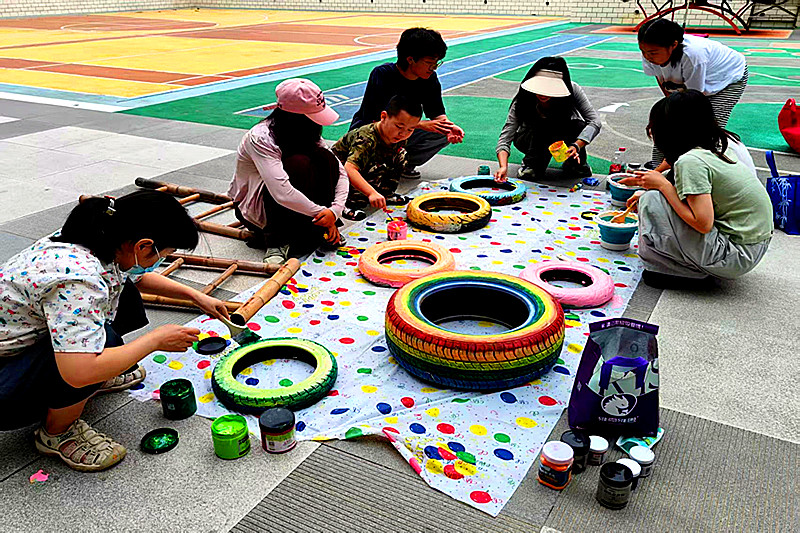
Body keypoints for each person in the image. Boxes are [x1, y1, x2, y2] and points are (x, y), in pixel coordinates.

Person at [0, 191, 230, 471]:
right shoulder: (79, 279)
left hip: (20, 342)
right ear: (145, 246)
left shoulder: (97, 234)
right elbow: (78, 371)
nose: (162, 260)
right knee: (95, 354)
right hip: (5, 384)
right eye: (165, 254)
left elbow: (137, 277)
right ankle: (57, 433)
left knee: (125, 295)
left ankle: (92, 376)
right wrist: (155, 340)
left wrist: (196, 297)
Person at [621, 90, 772, 289]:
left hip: (735, 255)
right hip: (751, 247)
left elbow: (703, 224)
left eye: (655, 127)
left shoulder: (691, 161)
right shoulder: (708, 149)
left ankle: (685, 272)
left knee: (652, 200)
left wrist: (662, 186)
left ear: (671, 131)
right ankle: (687, 264)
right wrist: (654, 184)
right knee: (654, 195)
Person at [229, 78, 349, 265]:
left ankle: (319, 227)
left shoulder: (306, 134)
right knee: (298, 163)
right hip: (259, 208)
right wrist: (322, 213)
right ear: (296, 119)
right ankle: (276, 240)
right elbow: (281, 192)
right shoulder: (261, 138)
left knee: (326, 159)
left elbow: (340, 172)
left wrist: (334, 212)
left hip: (300, 208)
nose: (319, 125)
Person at [349, 27, 464, 179]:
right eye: (429, 62)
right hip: (371, 130)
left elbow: (437, 113)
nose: (434, 67)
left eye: (437, 62)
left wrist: (449, 128)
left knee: (442, 132)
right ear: (410, 59)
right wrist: (421, 125)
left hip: (402, 130)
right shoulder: (383, 74)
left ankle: (403, 164)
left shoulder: (429, 79)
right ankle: (369, 163)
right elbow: (378, 119)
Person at [638, 18, 748, 171]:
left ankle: (705, 168)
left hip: (728, 78)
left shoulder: (694, 56)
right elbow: (662, 80)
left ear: (673, 45)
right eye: (643, 51)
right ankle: (659, 168)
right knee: (666, 124)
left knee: (703, 129)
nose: (647, 57)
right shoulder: (650, 54)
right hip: (694, 88)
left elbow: (693, 100)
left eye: (652, 53)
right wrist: (669, 109)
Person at [495, 56, 600, 182]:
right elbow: (506, 135)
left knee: (578, 125)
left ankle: (575, 164)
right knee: (544, 126)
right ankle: (532, 165)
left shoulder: (572, 89)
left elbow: (595, 122)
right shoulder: (524, 95)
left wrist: (577, 146)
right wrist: (503, 166)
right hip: (531, 138)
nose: (543, 93)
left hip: (564, 138)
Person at [332, 95, 422, 221]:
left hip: (367, 164)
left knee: (401, 156)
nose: (403, 134)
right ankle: (345, 204)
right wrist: (371, 193)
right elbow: (349, 169)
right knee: (366, 173)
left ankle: (386, 194)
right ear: (384, 117)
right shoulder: (365, 138)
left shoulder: (398, 137)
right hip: (336, 175)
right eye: (399, 127)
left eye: (410, 129)